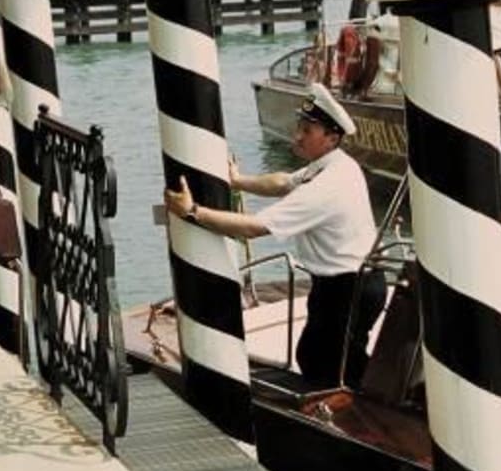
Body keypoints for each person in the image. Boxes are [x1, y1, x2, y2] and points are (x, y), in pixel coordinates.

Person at [163, 82, 384, 388]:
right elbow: (282, 182)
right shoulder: (334, 166)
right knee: (324, 358)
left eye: (308, 130)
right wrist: (239, 181)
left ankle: (359, 420)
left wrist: (192, 211)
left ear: (332, 138)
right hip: (347, 282)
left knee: (327, 366)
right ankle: (359, 406)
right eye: (299, 126)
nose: (297, 136)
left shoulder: (326, 187)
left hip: (348, 288)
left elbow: (254, 228)